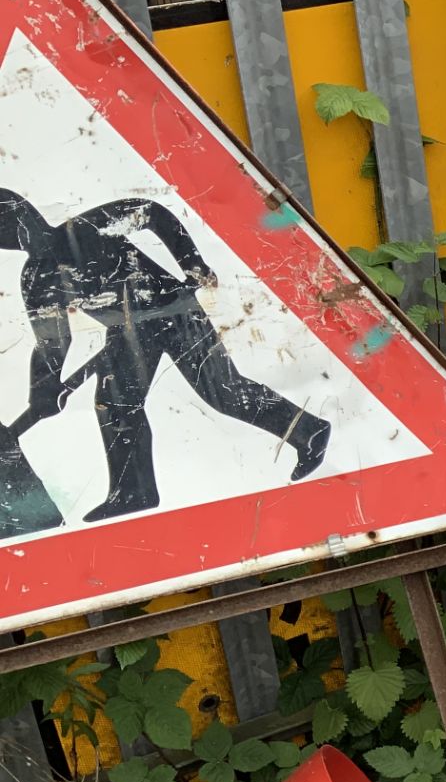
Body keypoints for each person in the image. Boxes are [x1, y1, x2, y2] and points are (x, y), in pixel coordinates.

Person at [0, 189, 330, 533]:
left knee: (223, 392)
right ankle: (134, 492)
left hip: (174, 310)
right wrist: (44, 389)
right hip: (128, 332)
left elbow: (152, 212)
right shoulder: (38, 278)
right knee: (115, 403)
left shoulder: (84, 229)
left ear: (25, 217)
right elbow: (53, 343)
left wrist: (192, 263)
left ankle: (309, 430)